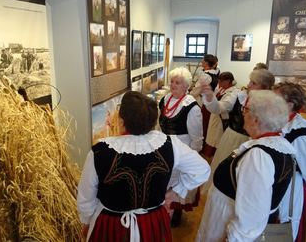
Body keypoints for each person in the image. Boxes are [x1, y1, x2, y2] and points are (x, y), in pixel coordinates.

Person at [78, 91, 210, 242]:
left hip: (112, 225)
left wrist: (87, 221)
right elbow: (202, 170)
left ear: (121, 120)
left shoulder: (99, 151)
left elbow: (86, 198)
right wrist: (175, 192)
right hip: (153, 222)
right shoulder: (170, 144)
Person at [196, 90, 295, 242]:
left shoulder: (258, 157)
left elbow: (252, 213)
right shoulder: (280, 145)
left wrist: (233, 239)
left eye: (246, 109)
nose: (243, 113)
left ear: (256, 120)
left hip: (224, 224)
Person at [200, 69, 275, 193]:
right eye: (250, 81)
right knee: (225, 171)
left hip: (253, 144)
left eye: (254, 83)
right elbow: (219, 108)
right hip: (232, 138)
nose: (249, 85)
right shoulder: (239, 95)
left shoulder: (271, 105)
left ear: (265, 87)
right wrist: (210, 97)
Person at [158, 67, 203, 226]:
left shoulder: (192, 107)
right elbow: (159, 125)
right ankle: (162, 210)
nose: (173, 85)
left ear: (186, 86)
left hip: (182, 150)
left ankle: (175, 212)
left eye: (178, 83)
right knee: (164, 180)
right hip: (164, 147)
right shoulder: (165, 100)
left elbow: (196, 138)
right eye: (172, 82)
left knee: (177, 182)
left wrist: (191, 158)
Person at [274, 82, 306, 241]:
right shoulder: (279, 123)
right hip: (276, 189)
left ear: (290, 104)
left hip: (289, 194)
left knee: (282, 232)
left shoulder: (300, 135)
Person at [201, 72, 239, 159]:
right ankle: (209, 157)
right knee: (212, 139)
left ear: (228, 81)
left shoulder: (233, 92)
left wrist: (211, 100)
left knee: (217, 142)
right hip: (215, 119)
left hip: (221, 121)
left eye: (221, 81)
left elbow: (224, 107)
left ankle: (214, 158)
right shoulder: (222, 89)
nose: (219, 84)